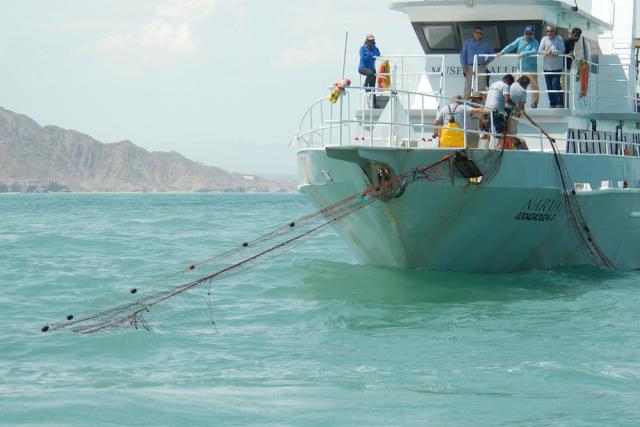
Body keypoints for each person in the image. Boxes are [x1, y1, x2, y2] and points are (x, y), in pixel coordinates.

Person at [496, 25, 540, 108]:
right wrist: (502, 52)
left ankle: (534, 102)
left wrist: (524, 54)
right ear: (524, 32)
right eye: (526, 33)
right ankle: (516, 101)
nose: (527, 34)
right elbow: (511, 46)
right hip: (520, 68)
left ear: (532, 34)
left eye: (530, 33)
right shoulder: (520, 39)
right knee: (517, 86)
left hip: (531, 68)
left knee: (534, 85)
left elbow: (535, 51)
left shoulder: (535, 42)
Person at [460, 26, 495, 99]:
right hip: (469, 66)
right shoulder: (467, 42)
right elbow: (463, 55)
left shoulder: (486, 43)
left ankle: (482, 104)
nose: (478, 34)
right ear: (473, 33)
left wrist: (486, 62)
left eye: (480, 33)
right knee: (468, 86)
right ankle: (465, 103)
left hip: (480, 66)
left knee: (482, 86)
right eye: (477, 32)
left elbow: (492, 54)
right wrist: (464, 67)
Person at [538, 24, 565, 108]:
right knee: (549, 86)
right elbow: (539, 51)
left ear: (554, 32)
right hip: (546, 67)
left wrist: (554, 52)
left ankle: (560, 102)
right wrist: (546, 52)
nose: (550, 33)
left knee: (555, 85)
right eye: (548, 31)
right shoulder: (544, 39)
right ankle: (552, 103)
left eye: (551, 31)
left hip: (557, 67)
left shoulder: (559, 38)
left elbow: (562, 50)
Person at [359, 34, 381, 108]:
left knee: (372, 87)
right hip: (363, 68)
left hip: (372, 69)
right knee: (371, 73)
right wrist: (370, 55)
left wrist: (374, 47)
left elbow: (378, 54)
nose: (371, 42)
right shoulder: (362, 48)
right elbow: (363, 58)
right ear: (366, 41)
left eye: (372, 41)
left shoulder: (373, 48)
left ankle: (374, 103)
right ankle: (365, 85)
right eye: (369, 41)